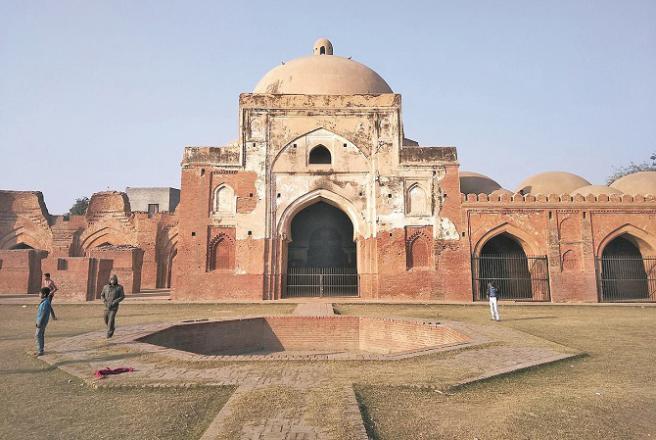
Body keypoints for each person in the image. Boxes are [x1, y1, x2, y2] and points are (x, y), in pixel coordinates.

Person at [35, 287, 52, 356]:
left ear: (44, 294)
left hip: (41, 322)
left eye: (40, 293)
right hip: (41, 321)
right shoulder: (45, 301)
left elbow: (43, 313)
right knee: (40, 335)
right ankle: (40, 350)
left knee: (38, 335)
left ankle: (40, 351)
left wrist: (39, 322)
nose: (39, 294)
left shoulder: (45, 303)